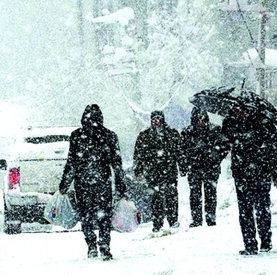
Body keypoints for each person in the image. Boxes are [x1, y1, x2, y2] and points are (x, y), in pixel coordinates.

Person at [58, 104, 126, 261]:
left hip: (83, 183)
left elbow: (71, 163)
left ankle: (91, 245)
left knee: (86, 215)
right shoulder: (109, 136)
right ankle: (104, 245)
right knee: (104, 216)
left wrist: (64, 184)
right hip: (102, 182)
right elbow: (116, 164)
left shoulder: (77, 136)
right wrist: (121, 185)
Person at [222, 104, 277, 255]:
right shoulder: (231, 124)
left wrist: (276, 170)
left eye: (241, 109)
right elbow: (223, 144)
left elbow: (276, 146)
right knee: (245, 211)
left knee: (262, 208)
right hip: (242, 174)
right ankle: (250, 244)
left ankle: (265, 241)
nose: (238, 112)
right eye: (235, 110)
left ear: (248, 109)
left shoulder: (262, 122)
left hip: (260, 172)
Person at [133, 110, 183, 232]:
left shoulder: (172, 133)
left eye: (158, 119)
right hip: (153, 172)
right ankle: (157, 223)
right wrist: (138, 170)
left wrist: (183, 166)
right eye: (154, 119)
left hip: (169, 170)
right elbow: (138, 155)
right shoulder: (144, 136)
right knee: (156, 199)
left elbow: (180, 152)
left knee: (171, 196)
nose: (156, 121)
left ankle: (173, 220)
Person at [180, 107, 229, 228]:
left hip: (210, 168)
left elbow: (225, 146)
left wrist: (216, 157)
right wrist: (186, 163)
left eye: (202, 117)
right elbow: (181, 150)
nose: (200, 120)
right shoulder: (187, 132)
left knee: (210, 194)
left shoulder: (215, 130)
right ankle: (197, 219)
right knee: (195, 195)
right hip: (194, 168)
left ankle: (210, 218)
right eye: (197, 117)